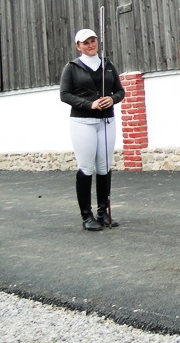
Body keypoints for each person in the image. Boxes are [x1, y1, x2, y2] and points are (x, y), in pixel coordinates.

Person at [60, 28, 125, 231]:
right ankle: (86, 216)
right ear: (78, 46)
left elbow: (120, 91)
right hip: (83, 122)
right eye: (85, 42)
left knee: (104, 166)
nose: (90, 45)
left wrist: (112, 99)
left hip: (106, 121)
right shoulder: (72, 68)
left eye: (93, 40)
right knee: (86, 167)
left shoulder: (108, 65)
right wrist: (90, 105)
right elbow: (65, 95)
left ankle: (103, 212)